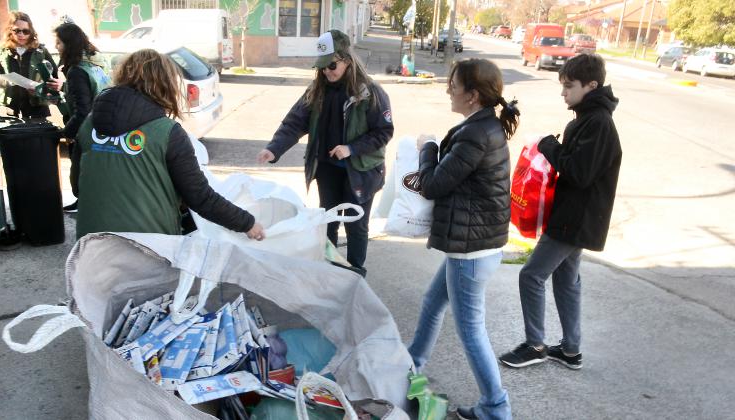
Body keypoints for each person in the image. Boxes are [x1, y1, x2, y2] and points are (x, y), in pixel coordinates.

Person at [407, 58, 519, 420]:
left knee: (471, 331)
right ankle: (411, 366)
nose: (448, 90)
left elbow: (434, 184)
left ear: (472, 95)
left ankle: (496, 407)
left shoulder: (476, 133)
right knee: (432, 302)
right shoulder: (483, 127)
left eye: (453, 85)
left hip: (472, 252)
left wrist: (427, 147)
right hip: (474, 247)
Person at [498, 54, 622, 371]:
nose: (563, 93)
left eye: (569, 86)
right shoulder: (588, 119)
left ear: (591, 85)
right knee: (566, 281)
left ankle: (535, 345)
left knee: (531, 275)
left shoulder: (598, 124)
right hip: (576, 217)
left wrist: (549, 145)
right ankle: (570, 350)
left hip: (574, 219)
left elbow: (578, 172)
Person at [73, 49, 264, 241]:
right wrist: (247, 223)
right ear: (166, 84)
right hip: (149, 246)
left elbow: (77, 186)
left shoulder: (88, 125)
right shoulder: (167, 132)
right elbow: (200, 197)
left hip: (90, 245)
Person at [256, 29, 393, 277]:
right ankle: (329, 270)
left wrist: (351, 149)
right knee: (327, 220)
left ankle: (354, 274)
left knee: (356, 224)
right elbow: (294, 122)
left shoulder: (370, 93)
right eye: (322, 67)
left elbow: (383, 132)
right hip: (327, 169)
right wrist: (273, 149)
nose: (327, 72)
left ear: (347, 61)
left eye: (331, 65)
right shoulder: (317, 89)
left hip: (360, 170)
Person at [53, 22, 111, 213]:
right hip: (102, 129)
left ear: (69, 45)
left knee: (80, 174)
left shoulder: (77, 71)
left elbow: (82, 111)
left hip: (88, 131)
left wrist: (64, 132)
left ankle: (87, 208)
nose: (56, 46)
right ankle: (86, 204)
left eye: (59, 42)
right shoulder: (94, 64)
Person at [0, 11, 60, 120]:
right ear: (10, 31)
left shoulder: (41, 51)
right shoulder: (0, 49)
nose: (21, 35)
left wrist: (41, 88)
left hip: (37, 108)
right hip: (10, 108)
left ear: (31, 32)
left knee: (36, 136)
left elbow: (54, 79)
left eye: (25, 31)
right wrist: (9, 80)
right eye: (17, 31)